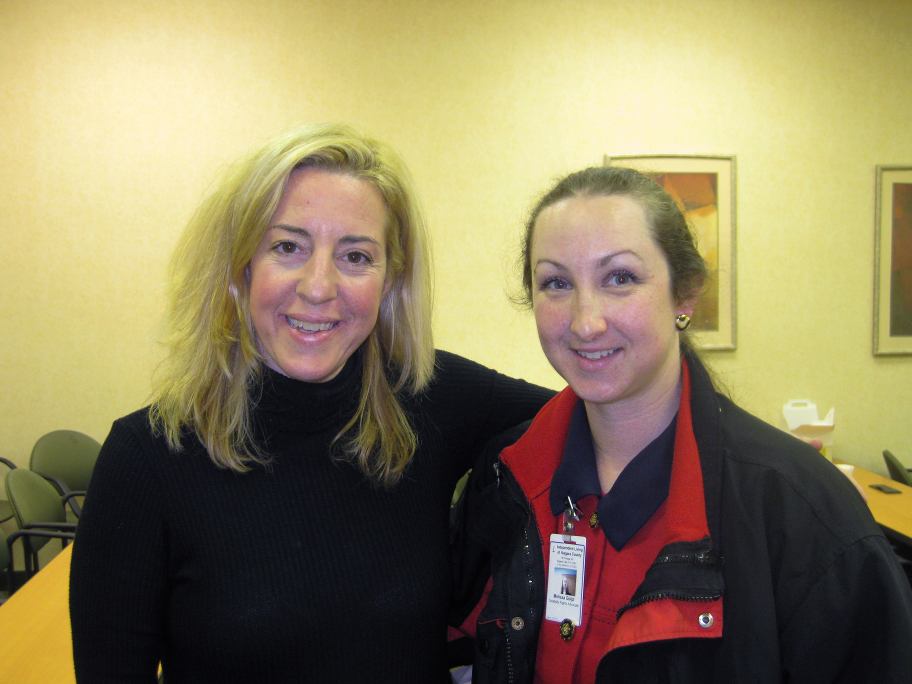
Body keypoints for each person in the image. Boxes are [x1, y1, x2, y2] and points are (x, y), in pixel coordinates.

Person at [69, 123, 553, 683]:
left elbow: (607, 415)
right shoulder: (147, 457)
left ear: (390, 279)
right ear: (239, 267)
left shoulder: (430, 398)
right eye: (287, 247)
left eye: (356, 255)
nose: (319, 287)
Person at [452, 166, 912, 682]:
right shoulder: (504, 480)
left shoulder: (802, 516)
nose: (585, 322)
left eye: (620, 278)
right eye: (556, 283)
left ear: (685, 293)